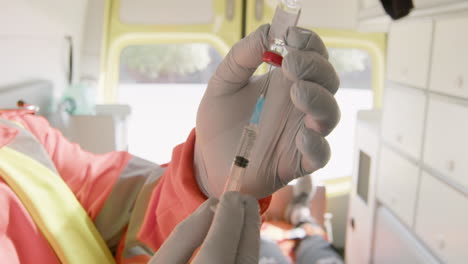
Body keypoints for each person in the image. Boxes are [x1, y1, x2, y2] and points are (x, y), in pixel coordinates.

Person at [0, 24, 340, 263]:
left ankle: (303, 225)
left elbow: (121, 207)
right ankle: (305, 225)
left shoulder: (18, 138)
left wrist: (199, 181)